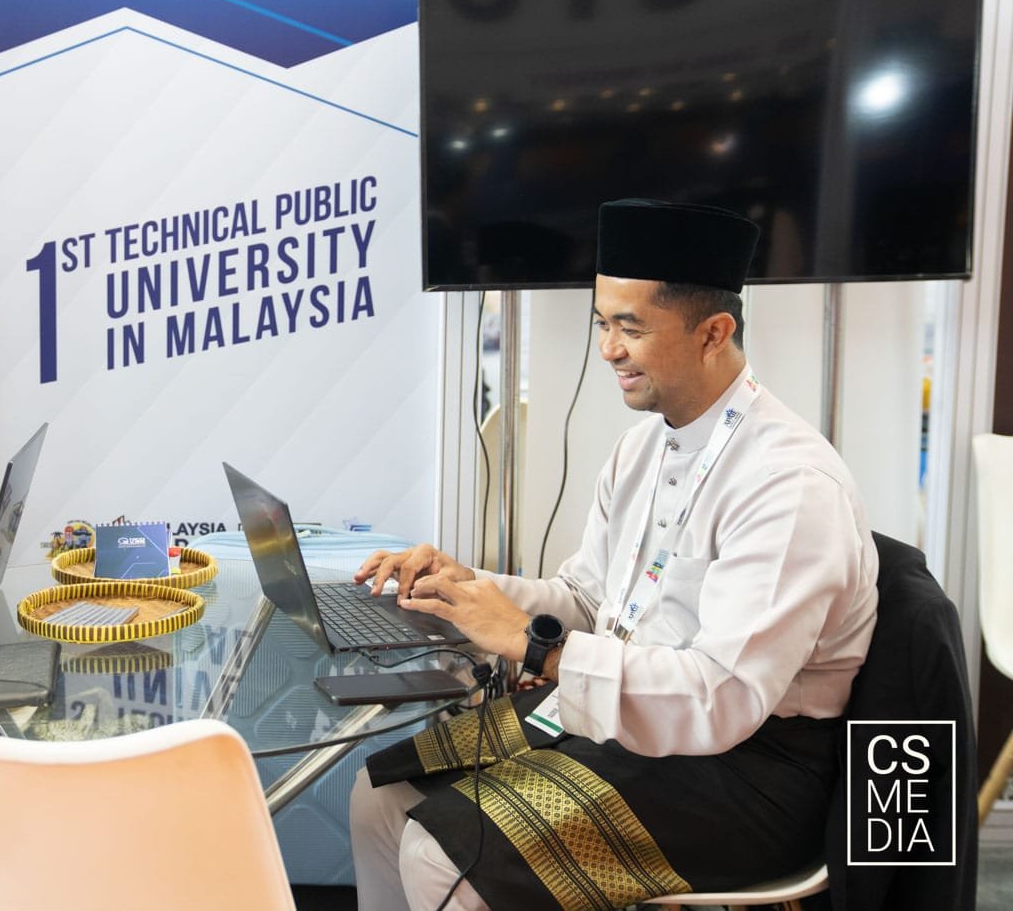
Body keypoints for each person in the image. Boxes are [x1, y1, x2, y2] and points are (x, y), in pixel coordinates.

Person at [348, 199, 879, 911]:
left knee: (444, 855)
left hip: (748, 769)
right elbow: (590, 601)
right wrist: (467, 590)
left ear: (713, 333)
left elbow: (723, 697)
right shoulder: (642, 448)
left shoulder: (789, 484)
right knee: (379, 794)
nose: (607, 350)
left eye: (630, 328)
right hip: (633, 716)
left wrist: (536, 647)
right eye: (602, 324)